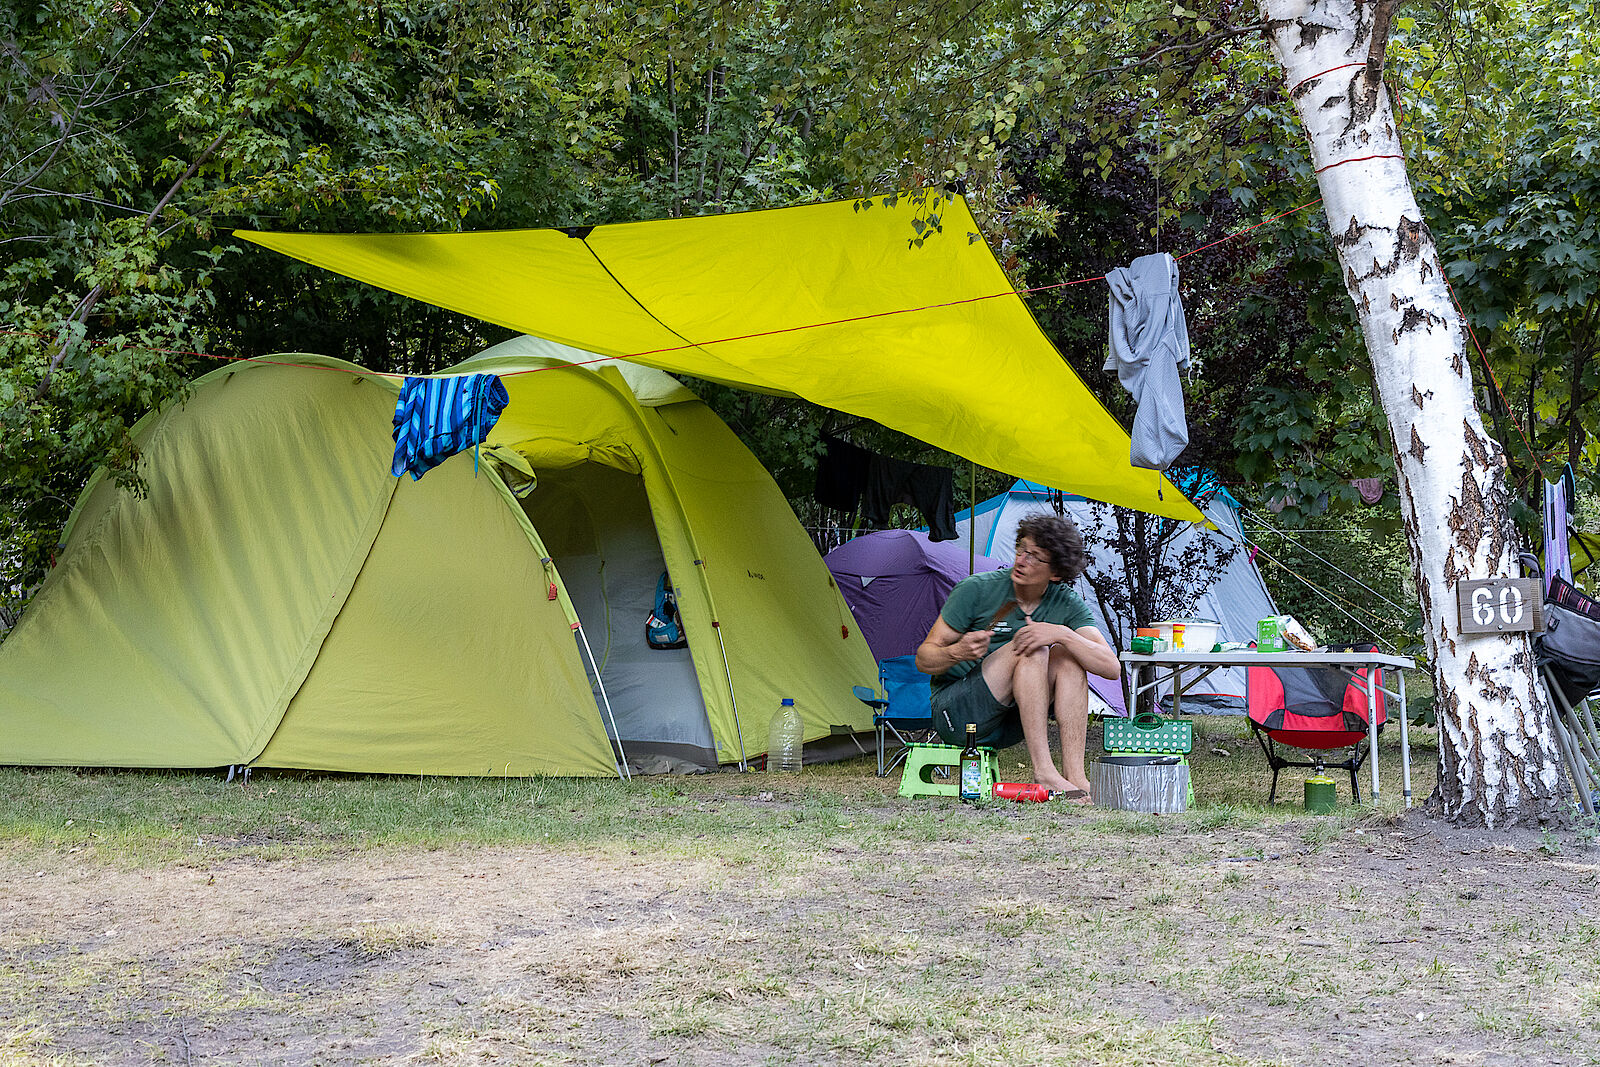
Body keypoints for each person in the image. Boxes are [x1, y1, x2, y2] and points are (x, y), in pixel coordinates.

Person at [915, 513, 1119, 800]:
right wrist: (957, 651)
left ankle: (1075, 776)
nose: (1021, 560)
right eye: (1021, 549)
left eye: (1034, 556)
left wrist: (1062, 633)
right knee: (1032, 646)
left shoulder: (1064, 602)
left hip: (1012, 723)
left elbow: (1111, 667)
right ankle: (1045, 772)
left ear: (1056, 573)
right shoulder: (977, 588)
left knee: (1067, 655)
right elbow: (924, 659)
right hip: (958, 717)